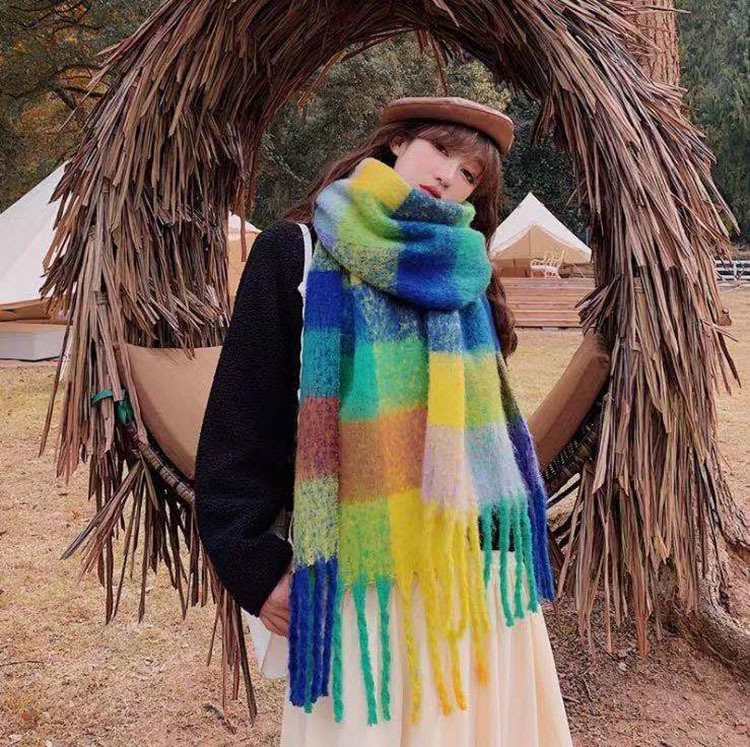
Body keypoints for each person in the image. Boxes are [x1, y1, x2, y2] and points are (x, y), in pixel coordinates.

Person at [195, 96, 574, 746]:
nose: (448, 176)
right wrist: (254, 570)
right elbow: (239, 426)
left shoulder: (466, 270)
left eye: (469, 173)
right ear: (397, 142)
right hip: (361, 584)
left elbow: (484, 434)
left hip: (473, 581)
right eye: (439, 149)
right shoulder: (297, 254)